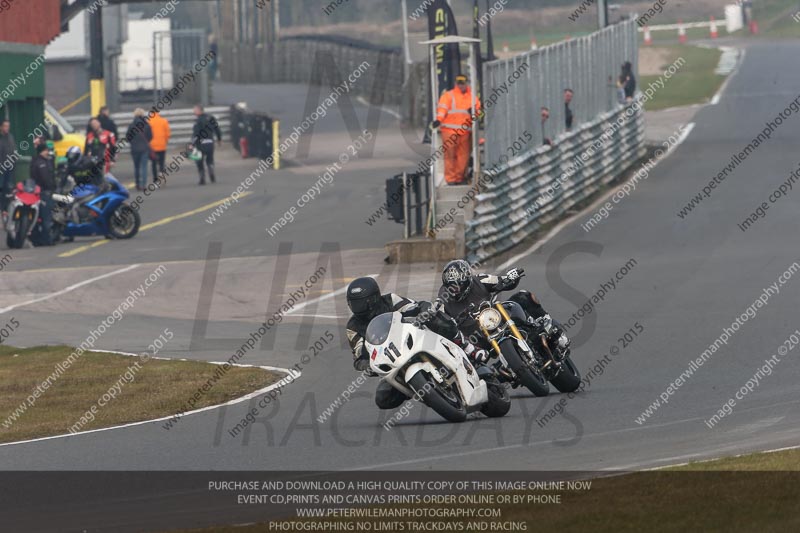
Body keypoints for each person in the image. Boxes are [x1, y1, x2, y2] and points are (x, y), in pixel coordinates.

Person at [345, 277, 486, 410]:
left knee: (434, 317)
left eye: (362, 303)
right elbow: (358, 354)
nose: (358, 308)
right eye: (354, 304)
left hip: (412, 337)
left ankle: (467, 347)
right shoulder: (352, 326)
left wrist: (422, 310)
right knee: (382, 399)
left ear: (374, 298)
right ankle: (417, 387)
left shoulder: (390, 300)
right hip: (394, 360)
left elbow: (411, 306)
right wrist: (366, 365)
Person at [437, 260, 569, 352]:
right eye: (452, 287)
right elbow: (441, 320)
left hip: (495, 317)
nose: (456, 290)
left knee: (524, 296)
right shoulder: (443, 298)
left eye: (459, 285)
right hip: (475, 336)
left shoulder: (480, 280)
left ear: (467, 280)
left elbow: (501, 280)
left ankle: (548, 323)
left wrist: (510, 278)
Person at [432, 74, 482, 185]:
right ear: (455, 83)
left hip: (465, 132)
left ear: (466, 83)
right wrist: (439, 120)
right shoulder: (448, 96)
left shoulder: (472, 97)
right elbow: (442, 109)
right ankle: (450, 179)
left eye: (462, 83)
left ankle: (459, 178)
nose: (460, 85)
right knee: (450, 156)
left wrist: (474, 113)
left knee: (463, 157)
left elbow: (479, 112)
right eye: (459, 83)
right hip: (449, 131)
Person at [30, 143, 56, 245]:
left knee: (40, 217)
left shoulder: (40, 161)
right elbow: (45, 178)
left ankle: (39, 239)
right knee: (46, 217)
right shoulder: (41, 163)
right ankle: (47, 240)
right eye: (46, 150)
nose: (48, 152)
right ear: (42, 151)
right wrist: (51, 187)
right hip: (44, 192)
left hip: (39, 192)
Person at [191, 104, 222, 185]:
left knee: (199, 160)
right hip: (210, 142)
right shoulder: (211, 118)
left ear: (199, 110)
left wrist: (192, 144)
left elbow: (196, 134)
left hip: (200, 144)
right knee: (210, 159)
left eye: (195, 110)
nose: (194, 111)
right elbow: (217, 129)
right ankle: (211, 169)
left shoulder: (197, 121)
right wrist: (219, 139)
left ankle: (202, 178)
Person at [125, 108, 153, 191]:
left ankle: (137, 184)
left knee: (136, 167)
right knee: (144, 167)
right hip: (144, 148)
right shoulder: (147, 125)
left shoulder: (131, 125)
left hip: (134, 149)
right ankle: (143, 185)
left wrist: (133, 143)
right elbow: (151, 136)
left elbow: (127, 137)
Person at [149, 110, 171, 185]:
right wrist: (166, 141)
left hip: (152, 146)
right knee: (161, 162)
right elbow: (167, 133)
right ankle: (161, 173)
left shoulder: (149, 122)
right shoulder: (164, 121)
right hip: (162, 145)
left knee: (154, 163)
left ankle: (155, 179)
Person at [0, 119, 17, 214]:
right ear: (1, 127)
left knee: (8, 188)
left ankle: (5, 208)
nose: (7, 128)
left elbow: (13, 150)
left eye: (8, 126)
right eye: (5, 126)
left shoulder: (10, 137)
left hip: (9, 168)